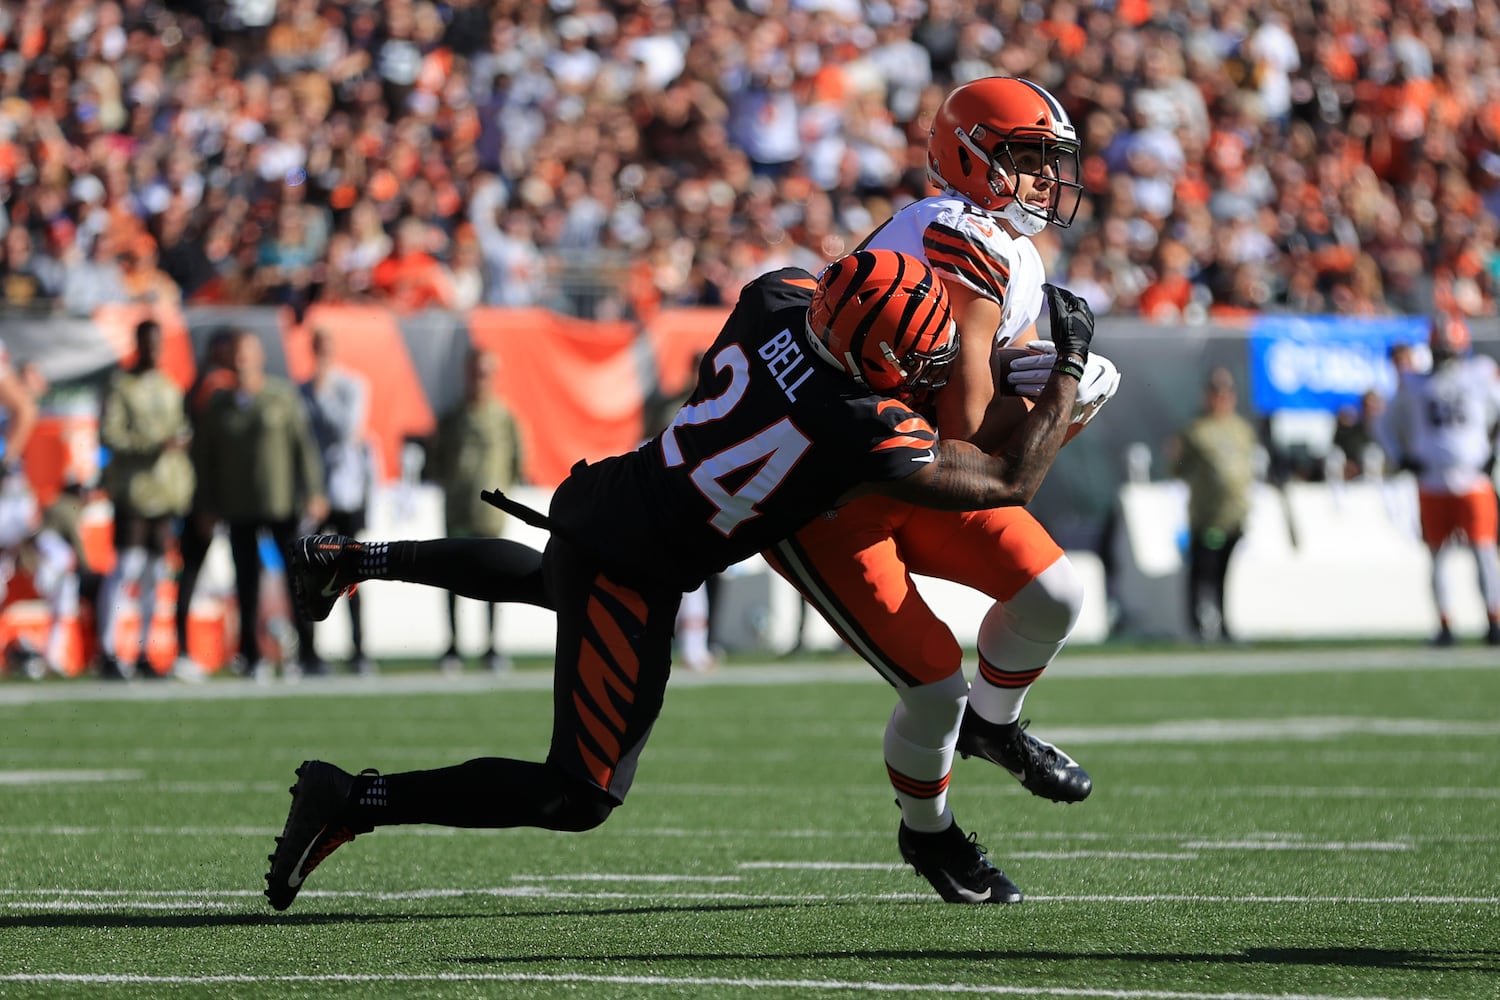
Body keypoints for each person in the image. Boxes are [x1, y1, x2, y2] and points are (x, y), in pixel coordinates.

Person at [263, 249, 1098, 912]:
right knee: (581, 792)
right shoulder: (856, 427)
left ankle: (353, 559)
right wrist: (1068, 372)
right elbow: (1005, 483)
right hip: (637, 564)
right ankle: (352, 800)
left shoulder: (776, 296)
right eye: (922, 355)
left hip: (616, 490)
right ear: (876, 358)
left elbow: (823, 312)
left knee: (557, 581)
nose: (937, 365)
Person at [760, 77, 1121, 902]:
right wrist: (1068, 395)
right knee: (933, 686)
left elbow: (992, 439)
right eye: (1026, 159)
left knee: (1054, 594)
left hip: (921, 471)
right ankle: (931, 836)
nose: (1044, 180)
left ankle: (996, 730)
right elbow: (979, 442)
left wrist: (1051, 393)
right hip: (836, 494)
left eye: (1048, 162)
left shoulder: (1001, 247)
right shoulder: (961, 241)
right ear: (971, 157)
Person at [192, 331, 327, 679]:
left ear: (259, 356)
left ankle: (309, 652)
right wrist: (207, 504)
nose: (241, 360)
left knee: (297, 579)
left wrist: (313, 490)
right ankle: (251, 655)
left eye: (246, 353)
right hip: (238, 504)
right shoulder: (219, 403)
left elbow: (304, 447)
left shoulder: (281, 396)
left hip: (280, 502)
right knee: (246, 583)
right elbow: (206, 459)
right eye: (236, 353)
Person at [1380, 315, 1500, 646]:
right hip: (1432, 481)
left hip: (1473, 480)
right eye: (1440, 349)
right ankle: (1445, 623)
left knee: (1484, 552)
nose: (1445, 356)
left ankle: (1493, 619)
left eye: (1449, 350)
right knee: (1437, 556)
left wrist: (1494, 454)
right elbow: (1384, 423)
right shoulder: (1414, 383)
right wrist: (1401, 457)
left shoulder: (1479, 375)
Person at [95, 320, 196, 680]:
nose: (154, 351)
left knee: (156, 572)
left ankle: (141, 649)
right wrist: (152, 444)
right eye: (148, 344)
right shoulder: (122, 386)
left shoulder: (169, 386)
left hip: (165, 491)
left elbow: (181, 429)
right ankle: (108, 651)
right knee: (127, 568)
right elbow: (110, 435)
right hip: (134, 490)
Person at [428, 348, 522, 675]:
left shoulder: (504, 416)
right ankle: (453, 644)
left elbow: (517, 462)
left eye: (485, 373)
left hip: (490, 514)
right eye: (475, 372)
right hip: (457, 511)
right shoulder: (452, 417)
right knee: (453, 576)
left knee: (494, 579)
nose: (480, 380)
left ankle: (492, 645)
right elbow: (435, 461)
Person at [298, 329, 376, 675]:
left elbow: (348, 430)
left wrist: (323, 394)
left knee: (352, 572)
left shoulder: (350, 386)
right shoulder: (300, 390)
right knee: (312, 571)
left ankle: (359, 649)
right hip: (315, 494)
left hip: (346, 493)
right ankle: (309, 651)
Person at [1170, 367, 1259, 644]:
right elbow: (1179, 469)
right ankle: (1195, 623)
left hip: (1235, 514)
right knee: (1202, 571)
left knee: (1224, 573)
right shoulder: (1197, 430)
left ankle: (1222, 622)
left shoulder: (1242, 429)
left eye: (1226, 393)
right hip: (1207, 515)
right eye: (1216, 393)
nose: (1221, 398)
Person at [173, 330, 240, 676]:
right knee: (199, 569)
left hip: (219, 493)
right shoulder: (215, 386)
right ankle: (185, 649)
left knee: (230, 572)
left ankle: (242, 647)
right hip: (213, 494)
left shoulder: (208, 384)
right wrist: (206, 501)